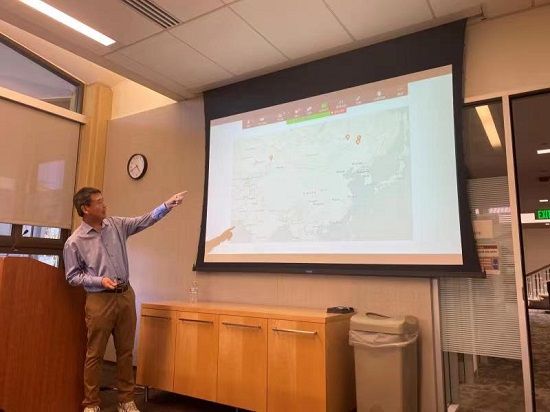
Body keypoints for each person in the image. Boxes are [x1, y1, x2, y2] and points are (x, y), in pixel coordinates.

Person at [63, 187, 187, 412]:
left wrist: (167, 205)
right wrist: (100, 281)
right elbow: (72, 277)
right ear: (85, 209)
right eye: (99, 202)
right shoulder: (74, 242)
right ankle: (91, 403)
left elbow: (145, 220)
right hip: (99, 301)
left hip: (125, 296)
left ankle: (126, 400)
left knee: (125, 352)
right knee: (95, 354)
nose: (104, 205)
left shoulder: (117, 225)